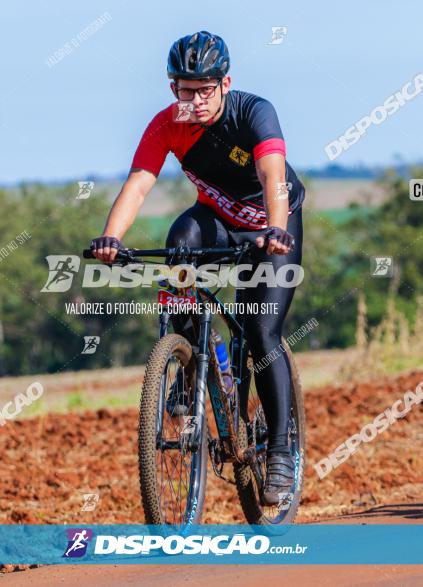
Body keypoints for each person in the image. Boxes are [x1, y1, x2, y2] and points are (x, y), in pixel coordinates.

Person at [89, 30, 306, 505]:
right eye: (185, 90)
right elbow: (139, 184)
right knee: (180, 241)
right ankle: (188, 370)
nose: (195, 100)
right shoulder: (167, 124)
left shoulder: (254, 112)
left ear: (225, 83)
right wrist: (112, 238)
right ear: (173, 90)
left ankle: (282, 453)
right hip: (217, 223)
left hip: (272, 226)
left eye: (204, 89)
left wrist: (275, 229)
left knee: (262, 332)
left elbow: (273, 176)